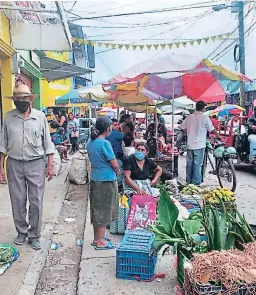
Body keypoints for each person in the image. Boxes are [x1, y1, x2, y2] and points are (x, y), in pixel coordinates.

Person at [0, 84, 54, 250]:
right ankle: (22, 232)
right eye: (17, 99)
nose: (21, 102)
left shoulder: (40, 117)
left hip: (36, 163)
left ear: (30, 100)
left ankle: (34, 235)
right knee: (18, 200)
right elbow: (3, 144)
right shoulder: (8, 117)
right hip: (14, 163)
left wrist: (50, 164)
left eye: (24, 99)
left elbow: (48, 144)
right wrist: (1, 167)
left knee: (36, 201)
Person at [87, 116, 120, 250]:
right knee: (104, 210)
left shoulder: (90, 141)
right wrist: (117, 170)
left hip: (95, 178)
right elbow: (114, 162)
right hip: (106, 180)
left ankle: (96, 238)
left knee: (97, 208)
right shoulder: (104, 143)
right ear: (108, 129)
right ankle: (101, 241)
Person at [180, 101, 219, 186]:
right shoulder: (204, 117)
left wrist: (188, 132)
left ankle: (189, 180)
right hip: (200, 145)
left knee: (189, 164)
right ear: (203, 108)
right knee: (197, 164)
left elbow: (182, 127)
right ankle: (196, 182)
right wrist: (218, 135)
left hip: (190, 144)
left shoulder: (189, 117)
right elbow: (211, 129)